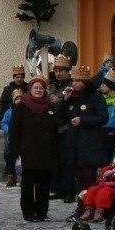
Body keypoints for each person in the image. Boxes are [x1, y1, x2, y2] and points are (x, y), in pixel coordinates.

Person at [58, 66, 108, 222]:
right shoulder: (72, 97)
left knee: (89, 178)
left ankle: (92, 207)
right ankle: (81, 208)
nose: (75, 83)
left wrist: (83, 120)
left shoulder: (95, 97)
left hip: (89, 145)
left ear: (85, 82)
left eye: (78, 80)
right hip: (74, 145)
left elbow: (103, 118)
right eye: (74, 80)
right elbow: (60, 116)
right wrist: (65, 100)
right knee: (79, 179)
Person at [9, 77, 59, 222]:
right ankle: (28, 212)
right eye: (35, 88)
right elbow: (14, 130)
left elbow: (55, 130)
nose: (38, 90)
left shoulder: (50, 106)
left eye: (41, 88)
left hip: (46, 153)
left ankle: (42, 212)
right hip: (27, 152)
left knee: (44, 185)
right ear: (30, 89)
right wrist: (15, 151)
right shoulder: (21, 106)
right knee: (28, 185)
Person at [47, 54, 74, 201]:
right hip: (53, 128)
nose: (58, 73)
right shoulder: (52, 85)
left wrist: (59, 101)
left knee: (66, 161)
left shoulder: (72, 85)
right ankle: (57, 189)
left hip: (66, 128)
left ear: (68, 71)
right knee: (56, 161)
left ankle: (69, 191)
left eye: (61, 70)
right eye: (56, 70)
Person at [0, 89, 23, 188]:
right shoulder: (9, 111)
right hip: (11, 140)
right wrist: (8, 129)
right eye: (17, 99)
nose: (19, 101)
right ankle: (12, 176)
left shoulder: (25, 111)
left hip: (22, 140)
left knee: (22, 159)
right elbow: (3, 122)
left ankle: (23, 177)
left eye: (21, 99)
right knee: (10, 158)